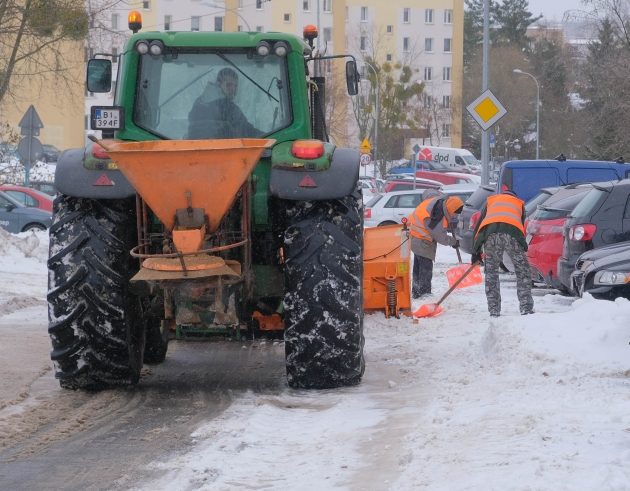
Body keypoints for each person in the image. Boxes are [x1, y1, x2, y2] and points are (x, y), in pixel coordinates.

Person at [471, 189, 534, 317]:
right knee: (523, 271)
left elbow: (479, 225)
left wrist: (475, 250)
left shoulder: (491, 201)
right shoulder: (518, 203)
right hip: (512, 234)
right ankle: (526, 308)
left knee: (491, 273)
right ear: (513, 196)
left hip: (491, 235)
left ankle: (494, 310)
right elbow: (520, 226)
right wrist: (523, 245)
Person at [407, 193, 464, 299]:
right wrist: (453, 242)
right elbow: (440, 237)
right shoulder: (436, 215)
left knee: (418, 266)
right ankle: (424, 294)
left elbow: (428, 192)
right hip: (421, 239)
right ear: (451, 209)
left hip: (414, 233)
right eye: (454, 214)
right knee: (425, 268)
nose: (454, 216)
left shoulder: (439, 202)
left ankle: (416, 291)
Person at [188, 67, 261, 139]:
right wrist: (267, 137)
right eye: (229, 85)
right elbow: (247, 131)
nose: (233, 89)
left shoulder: (199, 102)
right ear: (219, 84)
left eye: (235, 86)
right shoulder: (227, 108)